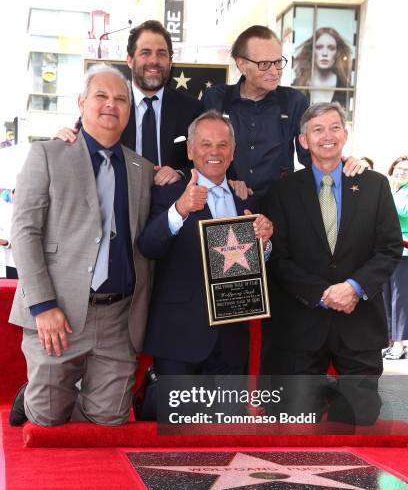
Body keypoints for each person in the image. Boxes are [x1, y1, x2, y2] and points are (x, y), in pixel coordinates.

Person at [8, 64, 154, 426]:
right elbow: (25, 232)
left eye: (121, 99)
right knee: (47, 417)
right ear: (81, 102)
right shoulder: (47, 154)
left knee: (109, 420)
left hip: (118, 316)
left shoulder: (142, 169)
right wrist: (43, 306)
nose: (111, 105)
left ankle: (77, 396)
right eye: (101, 96)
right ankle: (33, 395)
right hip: (59, 312)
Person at [260, 102, 402, 425]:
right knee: (292, 419)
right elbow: (277, 259)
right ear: (303, 140)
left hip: (359, 323)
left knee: (358, 418)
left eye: (335, 127)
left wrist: (354, 287)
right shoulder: (282, 192)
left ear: (345, 134)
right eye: (318, 129)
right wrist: (324, 293)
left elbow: (390, 247)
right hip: (301, 326)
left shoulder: (375, 185)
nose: (328, 136)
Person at [138, 110, 273, 376]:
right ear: (190, 151)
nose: (215, 151)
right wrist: (180, 210)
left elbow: (257, 266)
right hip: (178, 339)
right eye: (206, 144)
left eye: (223, 145)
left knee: (226, 419)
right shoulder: (168, 194)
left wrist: (265, 244)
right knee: (177, 419)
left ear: (232, 152)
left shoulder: (246, 199)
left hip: (232, 341)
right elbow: (149, 247)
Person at [202, 25, 365, 198]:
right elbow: (199, 154)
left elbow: (310, 155)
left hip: (279, 204)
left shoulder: (294, 101)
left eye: (278, 62)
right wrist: (224, 181)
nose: (275, 72)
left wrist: (343, 163)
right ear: (242, 64)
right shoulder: (216, 98)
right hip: (226, 202)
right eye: (264, 64)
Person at [57, 20, 203, 187]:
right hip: (120, 204)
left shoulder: (192, 109)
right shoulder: (109, 106)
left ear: (170, 61)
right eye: (145, 53)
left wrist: (180, 173)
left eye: (161, 54)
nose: (154, 61)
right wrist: (65, 139)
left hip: (174, 206)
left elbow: (209, 159)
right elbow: (81, 145)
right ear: (130, 60)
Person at [382, 155, 408, 360]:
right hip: (385, 251)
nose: (401, 172)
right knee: (386, 296)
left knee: (400, 299)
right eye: (398, 169)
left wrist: (389, 193)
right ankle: (389, 340)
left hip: (404, 252)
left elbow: (403, 211)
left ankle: (400, 343)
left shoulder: (398, 191)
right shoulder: (392, 189)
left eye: (405, 170)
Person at [293, 27, 352, 108]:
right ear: (312, 50)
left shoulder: (344, 86)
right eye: (319, 47)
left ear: (337, 52)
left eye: (331, 48)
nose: (325, 53)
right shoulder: (299, 84)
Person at [0, 188, 17, 278]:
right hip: (7, 261)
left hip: (13, 262)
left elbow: (10, 239)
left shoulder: (11, 212)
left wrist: (4, 242)